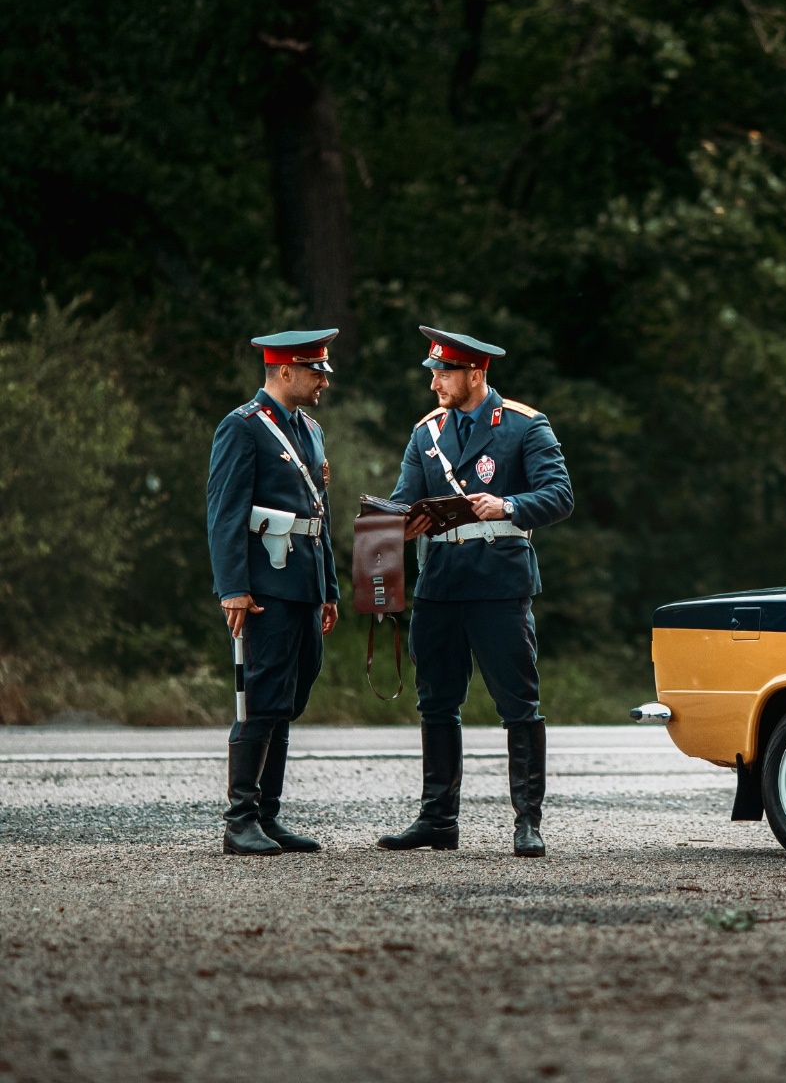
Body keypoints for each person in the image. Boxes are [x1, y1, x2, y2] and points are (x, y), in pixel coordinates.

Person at [377, 327, 574, 857]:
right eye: (434, 372)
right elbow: (404, 499)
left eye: (444, 373)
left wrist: (507, 505)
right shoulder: (427, 433)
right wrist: (397, 522)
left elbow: (560, 496)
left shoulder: (524, 426)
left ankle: (527, 821)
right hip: (440, 585)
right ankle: (438, 819)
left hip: (499, 586)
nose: (436, 381)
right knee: (436, 703)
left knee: (518, 705)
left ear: (475, 374)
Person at [205, 330, 341, 855]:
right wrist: (232, 587)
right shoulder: (242, 428)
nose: (322, 380)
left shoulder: (310, 428)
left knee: (289, 696)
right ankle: (240, 820)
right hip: (264, 587)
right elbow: (225, 514)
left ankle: (268, 815)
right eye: (315, 371)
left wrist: (328, 586)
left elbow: (318, 515)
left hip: (304, 582)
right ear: (284, 371)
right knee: (260, 699)